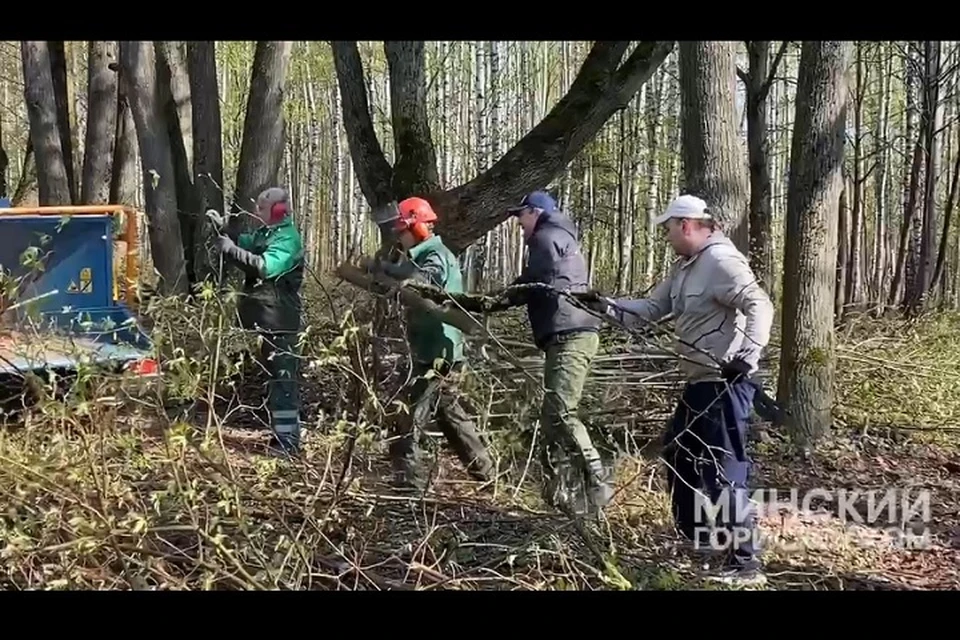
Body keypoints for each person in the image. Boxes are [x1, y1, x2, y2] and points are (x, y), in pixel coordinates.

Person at [588, 194, 774, 584]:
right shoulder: (686, 267)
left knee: (724, 471)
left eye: (669, 228)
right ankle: (699, 537)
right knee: (679, 455)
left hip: (725, 383)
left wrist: (746, 356)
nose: (667, 235)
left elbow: (761, 305)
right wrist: (602, 305)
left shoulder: (722, 261)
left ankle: (746, 563)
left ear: (686, 225)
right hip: (699, 383)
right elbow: (650, 310)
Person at [364, 196, 494, 490]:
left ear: (417, 227)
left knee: (409, 414)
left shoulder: (434, 256)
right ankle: (488, 474)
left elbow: (423, 282)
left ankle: (409, 484)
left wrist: (388, 273)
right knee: (451, 416)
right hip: (433, 349)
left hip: (437, 353)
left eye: (403, 230)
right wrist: (383, 269)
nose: (400, 236)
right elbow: (409, 276)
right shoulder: (425, 254)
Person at [500, 190, 612, 517]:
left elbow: (537, 281)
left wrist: (501, 298)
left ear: (536, 213)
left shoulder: (545, 238)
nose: (519, 223)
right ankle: (558, 496)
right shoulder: (563, 237)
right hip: (570, 333)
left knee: (561, 412)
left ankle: (598, 479)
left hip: (570, 334)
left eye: (521, 215)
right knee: (551, 419)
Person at [207, 187, 305, 456]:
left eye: (262, 208)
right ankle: (281, 435)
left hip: (281, 320)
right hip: (267, 319)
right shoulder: (267, 233)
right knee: (275, 381)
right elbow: (249, 241)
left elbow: (264, 266)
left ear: (277, 210)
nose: (257, 212)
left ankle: (289, 443)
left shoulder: (287, 239)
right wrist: (226, 227)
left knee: (284, 381)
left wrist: (231, 251)